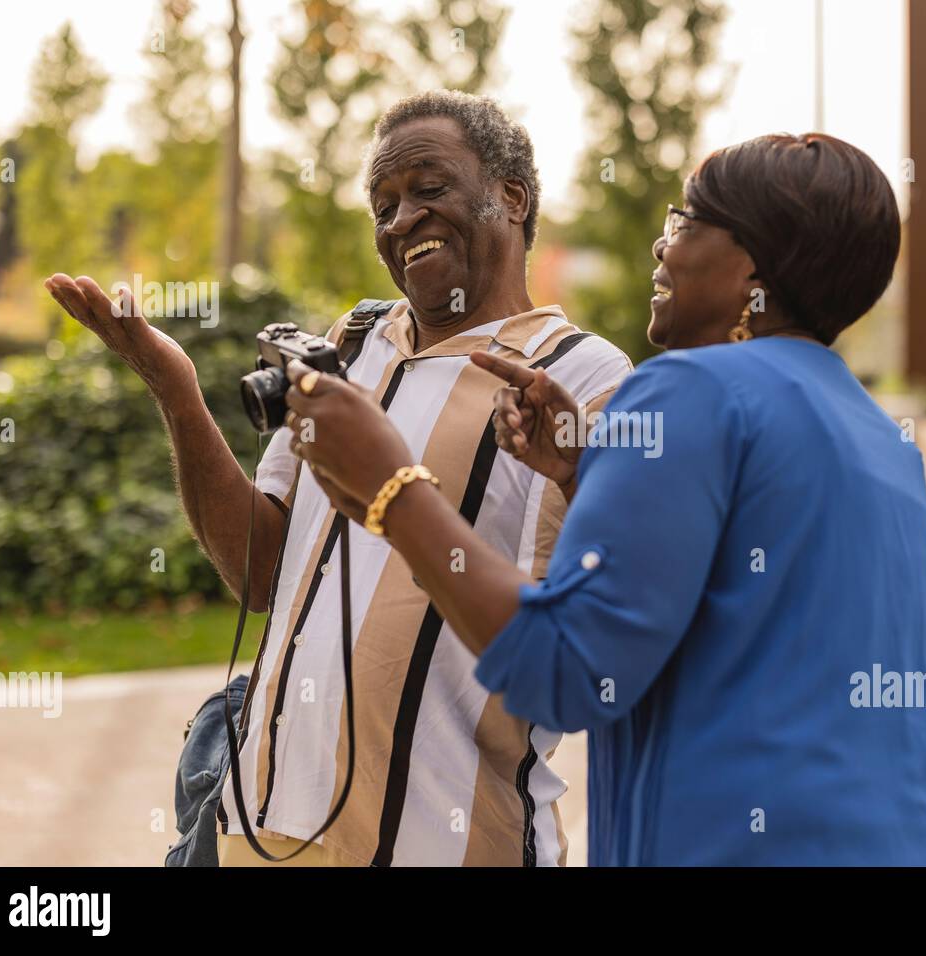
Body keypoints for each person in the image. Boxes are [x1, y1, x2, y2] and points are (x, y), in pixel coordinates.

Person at [279, 131, 926, 866]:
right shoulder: (880, 436)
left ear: (751, 264)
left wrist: (393, 489)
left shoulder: (690, 387)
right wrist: (585, 475)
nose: (662, 247)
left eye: (685, 223)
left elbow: (567, 671)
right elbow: (734, 609)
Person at [43, 90, 631, 867]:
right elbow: (260, 568)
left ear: (511, 197)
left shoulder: (586, 377)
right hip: (255, 833)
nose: (400, 221)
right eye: (382, 205)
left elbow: (602, 635)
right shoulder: (347, 347)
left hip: (441, 844)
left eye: (428, 189)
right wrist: (175, 390)